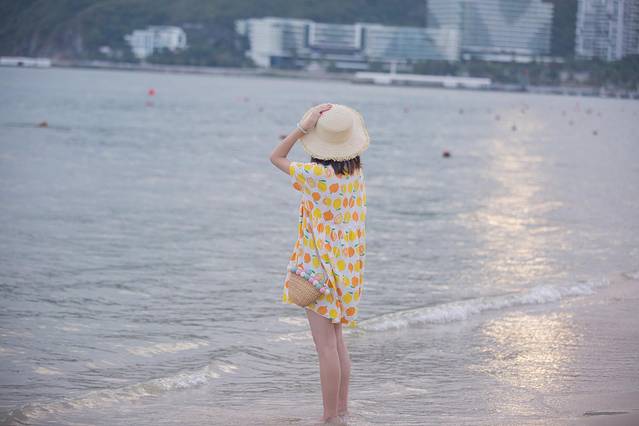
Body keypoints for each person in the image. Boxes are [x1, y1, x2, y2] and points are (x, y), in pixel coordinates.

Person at [269, 103, 369, 424]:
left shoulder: (317, 176)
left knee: (325, 348)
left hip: (319, 271)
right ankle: (341, 410)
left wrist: (302, 128)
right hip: (346, 269)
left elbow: (276, 157)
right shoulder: (355, 175)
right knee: (336, 343)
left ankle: (329, 418)